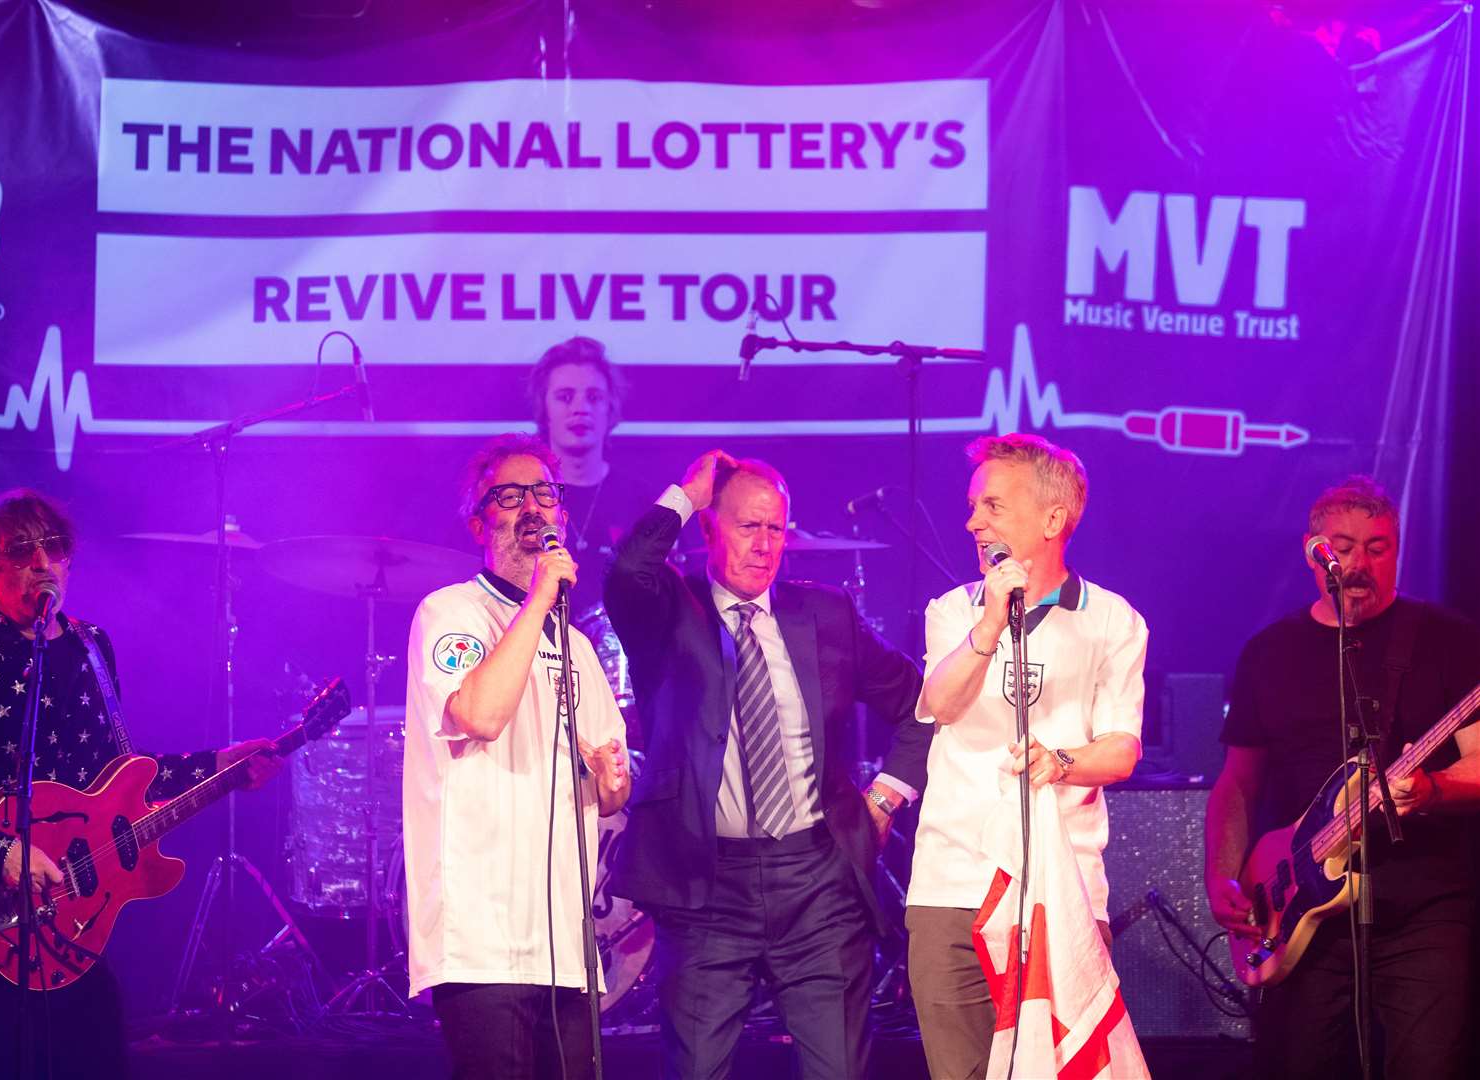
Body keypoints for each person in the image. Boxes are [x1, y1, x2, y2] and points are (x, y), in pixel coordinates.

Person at [0, 488, 280, 1080]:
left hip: (74, 931)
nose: (42, 562)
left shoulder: (92, 647)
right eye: (22, 550)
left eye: (53, 547)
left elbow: (123, 777)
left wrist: (221, 763)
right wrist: (0, 852)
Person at [602, 449, 930, 1080]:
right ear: (708, 528)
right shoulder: (670, 610)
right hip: (705, 887)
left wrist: (888, 794)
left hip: (817, 882)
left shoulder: (825, 613)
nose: (764, 544)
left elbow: (921, 703)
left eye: (776, 528)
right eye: (747, 526)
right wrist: (687, 493)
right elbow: (625, 575)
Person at [1204, 475, 1480, 1080]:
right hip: (1300, 910)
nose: (1359, 563)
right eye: (1343, 547)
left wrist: (1432, 791)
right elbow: (1238, 783)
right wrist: (1222, 873)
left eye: (1378, 547)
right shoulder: (1268, 653)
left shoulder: (1450, 641)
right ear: (1313, 550)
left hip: (1425, 909)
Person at [906, 433, 1146, 1080]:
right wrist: (987, 626)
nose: (972, 521)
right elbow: (939, 703)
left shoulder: (1114, 622)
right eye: (972, 506)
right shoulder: (952, 611)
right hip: (950, 883)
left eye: (991, 505)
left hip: (1059, 887)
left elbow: (1122, 748)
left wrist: (1061, 762)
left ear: (1051, 519)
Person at [403, 433, 631, 1080]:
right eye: (510, 495)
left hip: (563, 946)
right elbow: (478, 714)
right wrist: (539, 597)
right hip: (482, 942)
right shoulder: (451, 613)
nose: (532, 507)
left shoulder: (580, 648)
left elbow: (611, 785)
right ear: (480, 521)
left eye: (545, 494)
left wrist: (614, 778)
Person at [528, 336, 650, 614]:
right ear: (544, 408)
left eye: (594, 397)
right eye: (565, 397)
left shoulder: (643, 502)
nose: (580, 408)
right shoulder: (524, 500)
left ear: (610, 409)